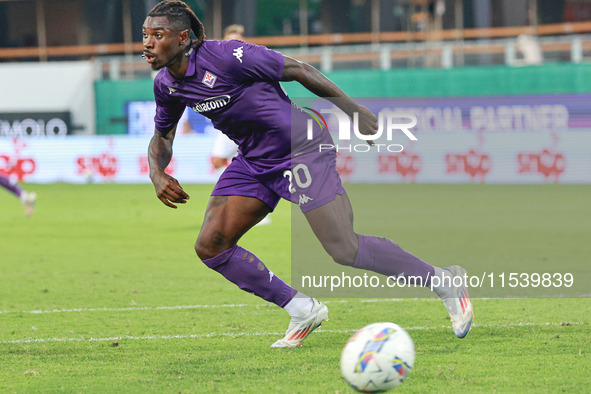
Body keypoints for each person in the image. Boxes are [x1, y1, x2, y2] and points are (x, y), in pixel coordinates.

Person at [143, 0, 473, 348]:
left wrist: (353, 110)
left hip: (302, 149)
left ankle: (443, 280)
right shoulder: (167, 85)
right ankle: (302, 309)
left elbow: (299, 69)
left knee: (344, 248)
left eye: (157, 35)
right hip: (254, 161)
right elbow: (163, 135)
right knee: (211, 246)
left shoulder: (227, 56)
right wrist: (156, 173)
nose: (147, 43)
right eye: (145, 35)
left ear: (182, 38)